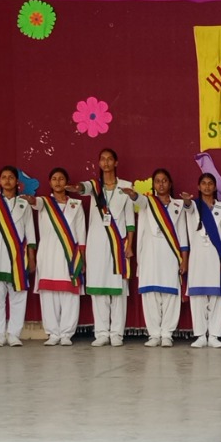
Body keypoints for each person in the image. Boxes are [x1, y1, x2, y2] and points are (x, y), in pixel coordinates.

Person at [0, 165, 36, 347]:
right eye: (4, 177)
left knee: (18, 296)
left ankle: (14, 334)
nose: (7, 180)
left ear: (17, 181)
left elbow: (30, 232)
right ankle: (0, 334)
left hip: (18, 256)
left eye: (11, 177)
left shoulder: (24, 203)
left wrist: (32, 258)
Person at [81, 148, 135, 346]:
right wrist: (74, 187)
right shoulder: (94, 187)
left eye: (109, 159)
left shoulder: (127, 186)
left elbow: (130, 219)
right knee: (99, 288)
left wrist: (130, 244)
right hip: (96, 242)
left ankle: (116, 334)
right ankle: (102, 333)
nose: (105, 162)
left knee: (118, 288)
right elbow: (81, 188)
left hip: (119, 242)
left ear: (116, 162)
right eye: (102, 159)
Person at [133, 168, 188, 347]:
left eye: (164, 180)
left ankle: (167, 334)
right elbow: (138, 199)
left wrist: (184, 258)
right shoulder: (147, 203)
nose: (161, 184)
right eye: (157, 181)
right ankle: (154, 334)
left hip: (170, 255)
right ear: (153, 184)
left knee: (170, 294)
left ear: (170, 183)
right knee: (150, 294)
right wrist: (133, 195)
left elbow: (183, 235)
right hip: (149, 254)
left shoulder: (178, 205)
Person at [35, 167, 86, 345]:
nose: (58, 182)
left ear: (66, 182)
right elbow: (35, 204)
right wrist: (30, 200)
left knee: (69, 294)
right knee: (49, 294)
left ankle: (66, 333)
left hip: (70, 255)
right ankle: (53, 333)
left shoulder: (76, 205)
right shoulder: (43, 202)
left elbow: (81, 233)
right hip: (48, 254)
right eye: (54, 178)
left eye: (61, 178)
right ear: (49, 182)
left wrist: (83, 257)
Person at [184, 171, 221, 348]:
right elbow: (187, 207)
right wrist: (187, 200)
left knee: (216, 297)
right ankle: (200, 335)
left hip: (216, 256)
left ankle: (214, 336)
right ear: (198, 186)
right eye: (204, 183)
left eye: (210, 183)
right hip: (197, 257)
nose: (207, 186)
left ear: (215, 187)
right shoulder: (193, 206)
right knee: (198, 296)